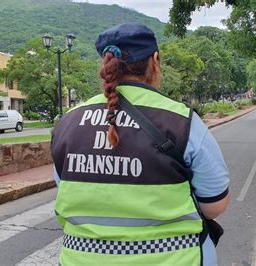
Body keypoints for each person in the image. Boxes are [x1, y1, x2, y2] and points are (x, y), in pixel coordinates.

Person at [51, 22, 230, 265]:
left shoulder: (67, 123)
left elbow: (66, 191)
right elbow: (214, 205)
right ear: (155, 61)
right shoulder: (183, 120)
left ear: (106, 65)